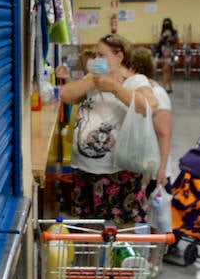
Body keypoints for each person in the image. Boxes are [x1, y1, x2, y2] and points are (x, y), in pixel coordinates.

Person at [59, 35, 159, 224]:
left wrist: (114, 87)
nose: (96, 60)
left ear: (119, 56)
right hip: (85, 170)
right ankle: (93, 256)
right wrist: (95, 80)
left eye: (101, 55)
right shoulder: (93, 81)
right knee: (89, 229)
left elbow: (149, 105)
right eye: (95, 55)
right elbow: (66, 94)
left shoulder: (135, 81)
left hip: (119, 172)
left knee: (121, 229)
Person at [129, 46, 173, 185]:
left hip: (155, 172)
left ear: (133, 68)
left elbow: (164, 135)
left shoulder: (157, 93)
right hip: (138, 167)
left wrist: (162, 169)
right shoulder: (133, 89)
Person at [158, 17, 179, 90]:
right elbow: (160, 42)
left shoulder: (174, 32)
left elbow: (176, 41)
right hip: (163, 53)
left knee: (165, 69)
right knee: (167, 71)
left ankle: (163, 87)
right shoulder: (162, 32)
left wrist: (170, 37)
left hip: (171, 53)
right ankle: (170, 87)